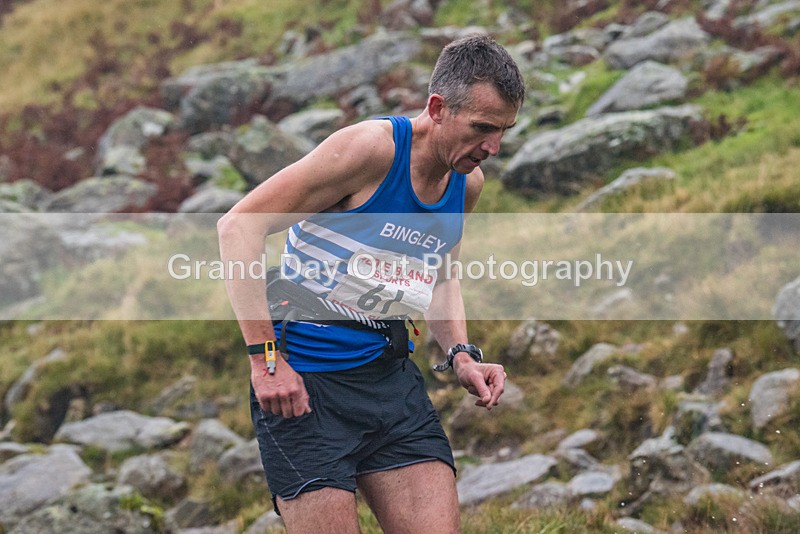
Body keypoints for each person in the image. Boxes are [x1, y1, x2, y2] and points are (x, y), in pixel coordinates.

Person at [217, 34, 524, 533]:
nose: (492, 147)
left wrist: (462, 355)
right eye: (483, 128)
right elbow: (239, 227)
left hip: (389, 383)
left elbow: (441, 276)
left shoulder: (466, 182)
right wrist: (265, 360)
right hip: (306, 387)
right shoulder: (369, 150)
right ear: (438, 108)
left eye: (505, 131)